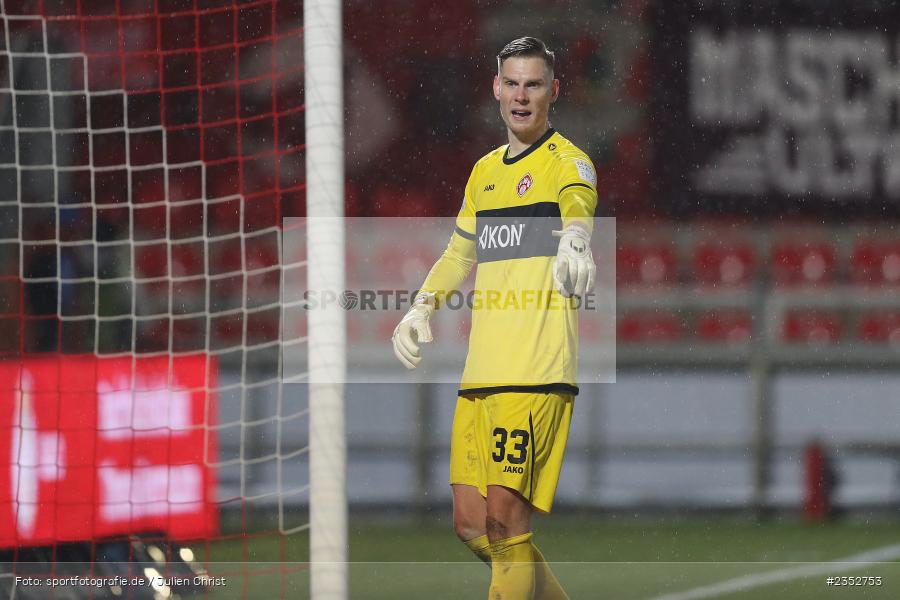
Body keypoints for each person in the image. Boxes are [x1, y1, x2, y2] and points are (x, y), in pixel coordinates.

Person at [392, 37, 597, 599]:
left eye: (534, 85)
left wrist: (576, 240)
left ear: (554, 92)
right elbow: (460, 252)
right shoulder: (483, 173)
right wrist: (420, 306)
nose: (521, 96)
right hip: (481, 374)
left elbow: (580, 203)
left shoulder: (567, 162)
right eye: (512, 83)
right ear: (495, 89)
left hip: (534, 372)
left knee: (507, 526)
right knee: (470, 524)